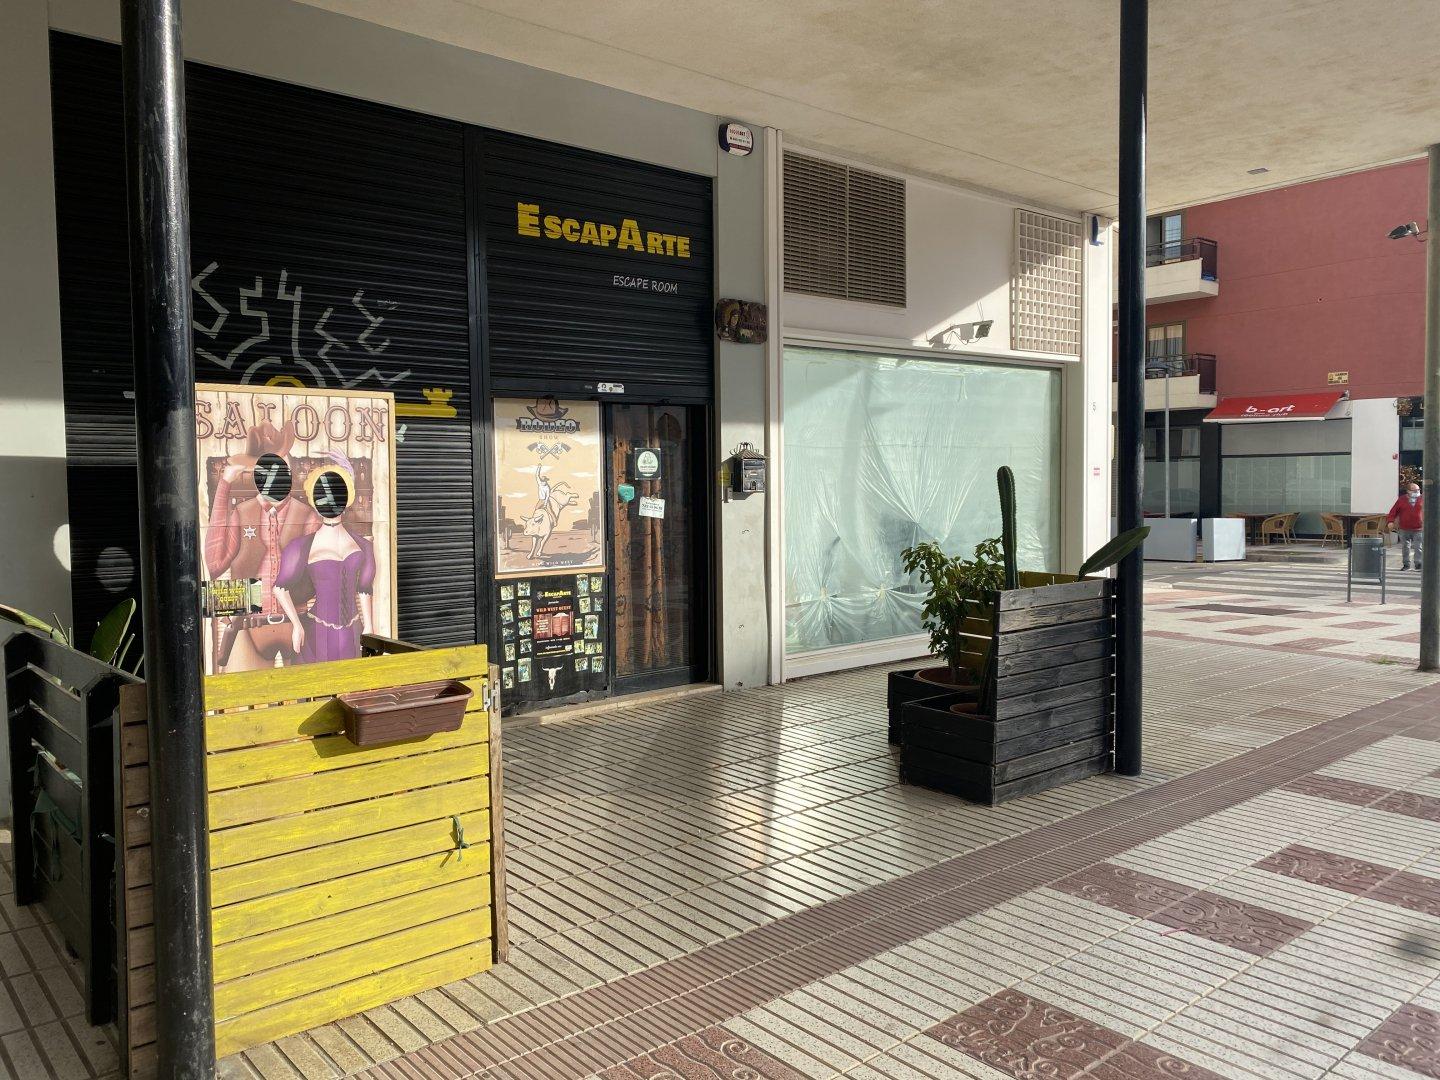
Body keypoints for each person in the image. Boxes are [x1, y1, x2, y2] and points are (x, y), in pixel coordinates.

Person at [203, 423, 320, 672]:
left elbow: (322, 575)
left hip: (298, 623)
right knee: (239, 694)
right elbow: (213, 564)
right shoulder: (242, 512)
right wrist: (225, 484)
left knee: (308, 694)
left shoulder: (307, 516)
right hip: (250, 625)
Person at [273, 455, 376, 663]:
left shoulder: (363, 545)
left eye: (336, 493)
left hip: (353, 632)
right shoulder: (302, 546)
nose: (330, 500)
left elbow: (364, 589)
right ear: (314, 500)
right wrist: (297, 625)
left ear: (348, 498)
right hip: (316, 633)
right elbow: (280, 588)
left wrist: (369, 628)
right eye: (322, 495)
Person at [1387, 481, 1424, 571]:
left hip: (1418, 528)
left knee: (1418, 547)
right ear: (1408, 491)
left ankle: (1418, 564)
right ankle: (1406, 564)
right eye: (1414, 490)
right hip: (1404, 528)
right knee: (1405, 547)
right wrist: (1390, 521)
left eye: (1418, 490)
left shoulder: (1423, 499)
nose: (1417, 492)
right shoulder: (1402, 500)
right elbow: (1393, 511)